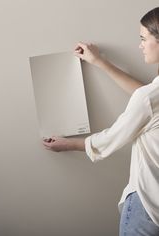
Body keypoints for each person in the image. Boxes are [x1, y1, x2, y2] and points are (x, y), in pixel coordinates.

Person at [43, 7, 159, 236]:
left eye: (143, 38)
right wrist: (100, 62)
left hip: (146, 205)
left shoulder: (147, 98)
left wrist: (70, 144)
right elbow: (146, 100)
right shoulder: (150, 96)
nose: (140, 45)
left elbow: (114, 137)